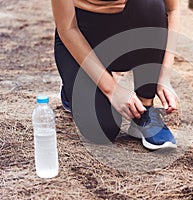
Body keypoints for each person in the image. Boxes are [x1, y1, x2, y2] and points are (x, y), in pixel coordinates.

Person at [51, 0, 180, 150]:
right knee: (101, 129)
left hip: (127, 34)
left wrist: (164, 76)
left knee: (150, 4)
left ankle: (145, 110)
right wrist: (112, 90)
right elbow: (67, 28)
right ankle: (71, 88)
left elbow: (173, 10)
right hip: (81, 37)